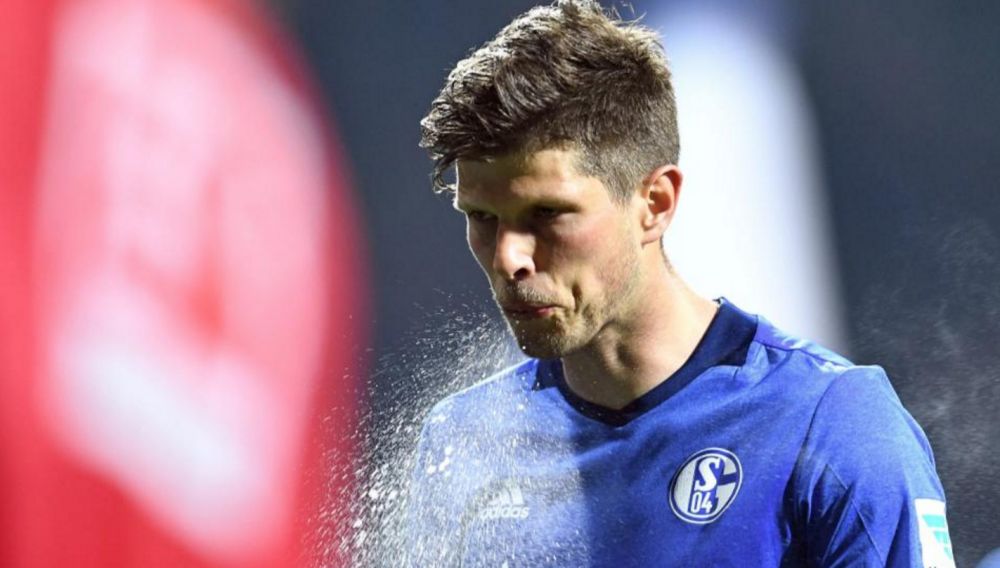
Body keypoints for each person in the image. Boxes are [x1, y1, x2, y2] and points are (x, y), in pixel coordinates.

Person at [407, 1, 952, 566]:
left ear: (655, 202)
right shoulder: (465, 442)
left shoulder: (831, 423)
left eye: (548, 213)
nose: (509, 257)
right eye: (482, 217)